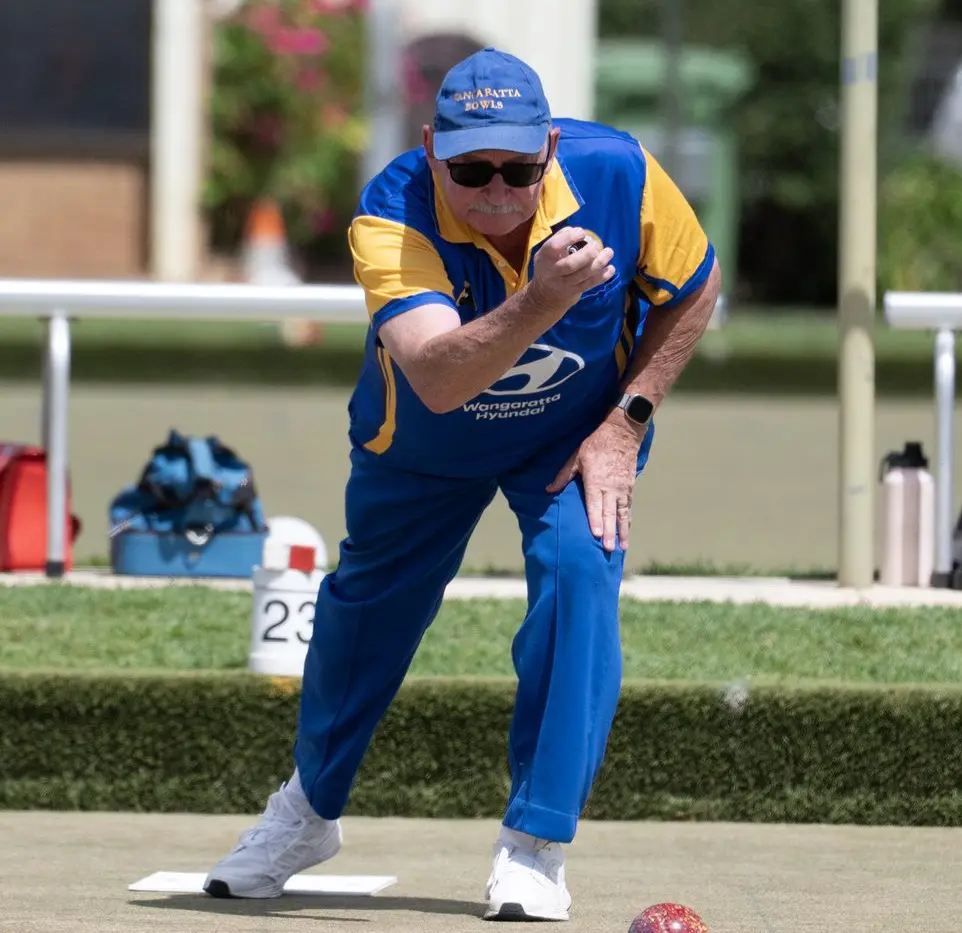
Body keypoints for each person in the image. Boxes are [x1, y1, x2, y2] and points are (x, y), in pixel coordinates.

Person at [201, 46, 721, 922]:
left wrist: (625, 422)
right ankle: (306, 813)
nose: (495, 189)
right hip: (426, 439)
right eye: (471, 167)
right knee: (364, 615)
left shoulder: (621, 171)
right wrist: (544, 299)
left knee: (581, 578)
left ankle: (535, 844)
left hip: (569, 434)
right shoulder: (391, 211)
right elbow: (441, 376)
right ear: (432, 145)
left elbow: (694, 291)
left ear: (551, 149)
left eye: (518, 167)